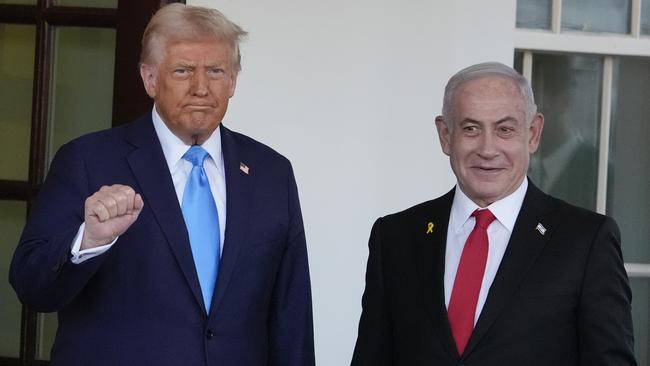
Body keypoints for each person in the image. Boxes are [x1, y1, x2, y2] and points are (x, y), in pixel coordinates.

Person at [10, 4, 314, 366]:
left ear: (233, 80)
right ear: (150, 78)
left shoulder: (271, 172)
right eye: (183, 71)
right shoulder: (88, 160)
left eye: (216, 71)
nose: (201, 88)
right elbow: (32, 285)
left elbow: (292, 316)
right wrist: (89, 240)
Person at [351, 62, 635, 365]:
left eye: (505, 129)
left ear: (533, 134)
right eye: (471, 129)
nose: (487, 149)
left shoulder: (587, 241)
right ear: (445, 135)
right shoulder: (396, 236)